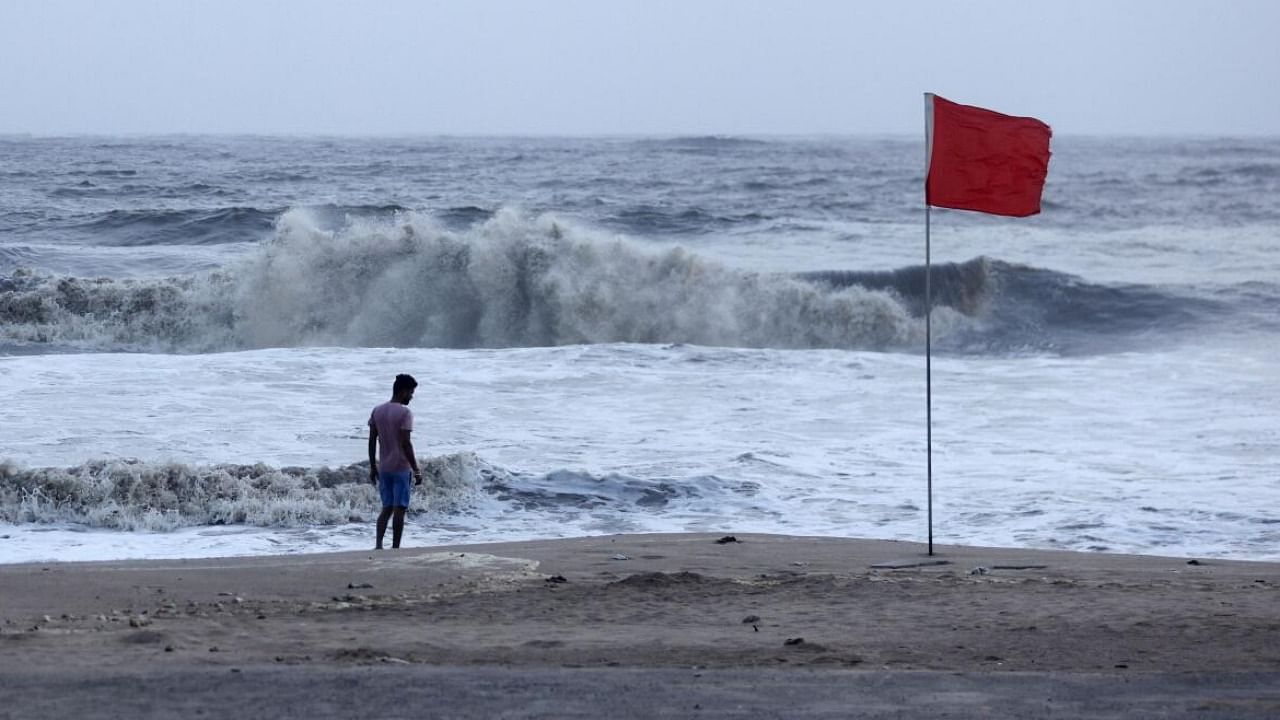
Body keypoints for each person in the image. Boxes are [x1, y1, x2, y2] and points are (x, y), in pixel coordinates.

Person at [367, 374, 423, 549]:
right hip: (401, 466)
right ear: (403, 391)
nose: (412, 397)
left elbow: (371, 440)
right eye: (411, 393)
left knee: (386, 508)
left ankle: (378, 545)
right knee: (400, 509)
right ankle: (395, 547)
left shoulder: (377, 410)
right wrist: (416, 469)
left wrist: (372, 465)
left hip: (384, 467)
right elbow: (406, 443)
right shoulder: (405, 413)